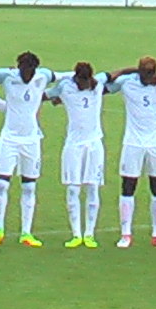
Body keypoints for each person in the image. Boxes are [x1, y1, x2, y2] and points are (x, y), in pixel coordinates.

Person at [0, 52, 56, 247]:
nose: (26, 74)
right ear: (18, 67)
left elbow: (65, 77)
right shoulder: (8, 77)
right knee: (2, 184)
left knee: (29, 186)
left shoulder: (43, 76)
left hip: (31, 140)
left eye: (30, 70)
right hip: (9, 139)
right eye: (23, 70)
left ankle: (26, 232)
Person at [106, 57, 156, 247]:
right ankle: (126, 234)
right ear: (139, 72)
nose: (149, 78)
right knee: (128, 186)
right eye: (145, 74)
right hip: (133, 143)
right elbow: (101, 87)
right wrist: (124, 70)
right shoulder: (126, 83)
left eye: (151, 74)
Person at [48, 61, 107, 248]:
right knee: (73, 189)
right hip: (73, 145)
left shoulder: (98, 85)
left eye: (87, 80)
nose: (84, 84)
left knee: (92, 188)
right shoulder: (65, 87)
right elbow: (45, 96)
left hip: (94, 145)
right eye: (81, 81)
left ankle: (89, 234)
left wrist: (137, 69)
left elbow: (116, 74)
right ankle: (76, 234)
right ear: (76, 78)